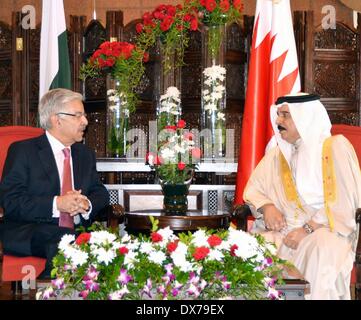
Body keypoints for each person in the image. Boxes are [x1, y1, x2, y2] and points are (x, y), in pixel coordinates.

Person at [243, 93, 361, 300]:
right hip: (284, 231)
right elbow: (253, 189)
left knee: (321, 248)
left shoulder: (335, 147)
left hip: (327, 228)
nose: (278, 121)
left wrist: (308, 229)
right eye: (278, 115)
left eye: (285, 115)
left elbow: (345, 200)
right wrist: (266, 206)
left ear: (305, 117)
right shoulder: (277, 154)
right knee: (253, 248)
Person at [0, 88, 109, 278]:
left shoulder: (84, 155)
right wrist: (57, 204)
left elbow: (100, 192)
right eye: (78, 115)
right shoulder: (23, 151)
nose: (85, 121)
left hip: (76, 232)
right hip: (27, 231)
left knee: (103, 247)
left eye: (84, 115)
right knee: (66, 241)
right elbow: (11, 201)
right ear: (56, 119)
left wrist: (87, 204)